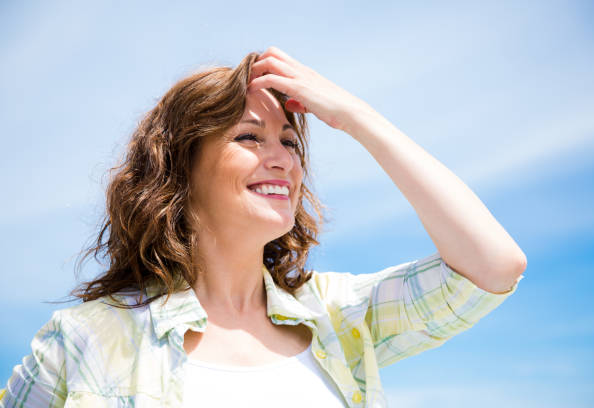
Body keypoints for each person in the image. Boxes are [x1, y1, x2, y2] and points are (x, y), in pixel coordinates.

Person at [0, 46, 526, 407]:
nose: (282, 160)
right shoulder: (85, 340)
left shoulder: (337, 317)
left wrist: (356, 117)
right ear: (181, 165)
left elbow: (493, 266)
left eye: (291, 142)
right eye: (249, 138)